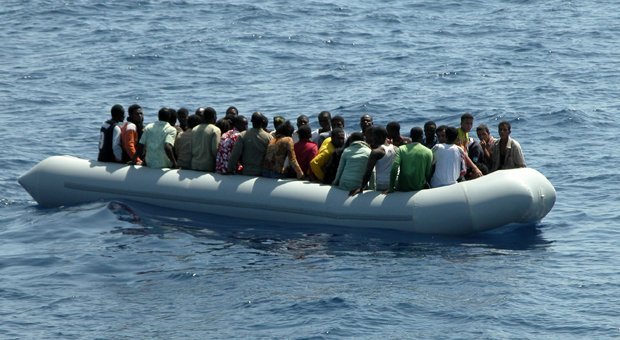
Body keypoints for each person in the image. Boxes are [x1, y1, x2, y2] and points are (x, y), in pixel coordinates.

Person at [350, 126, 396, 195]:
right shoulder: (396, 148)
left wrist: (361, 188)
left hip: (382, 184)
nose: (372, 139)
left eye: (374, 136)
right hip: (394, 183)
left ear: (379, 137)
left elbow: (368, 171)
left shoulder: (376, 152)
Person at [386, 127, 433, 193]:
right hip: (419, 187)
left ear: (410, 136)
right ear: (422, 136)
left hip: (402, 187)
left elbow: (394, 168)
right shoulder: (428, 151)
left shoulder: (401, 149)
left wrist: (391, 188)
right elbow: (428, 173)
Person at [227, 112, 273, 176]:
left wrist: (230, 170)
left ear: (251, 121)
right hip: (262, 172)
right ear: (262, 122)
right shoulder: (269, 137)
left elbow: (235, 155)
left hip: (247, 172)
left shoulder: (242, 135)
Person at [191, 107, 221, 172]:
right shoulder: (215, 130)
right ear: (214, 117)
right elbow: (215, 150)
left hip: (194, 164)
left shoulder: (194, 129)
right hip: (208, 166)